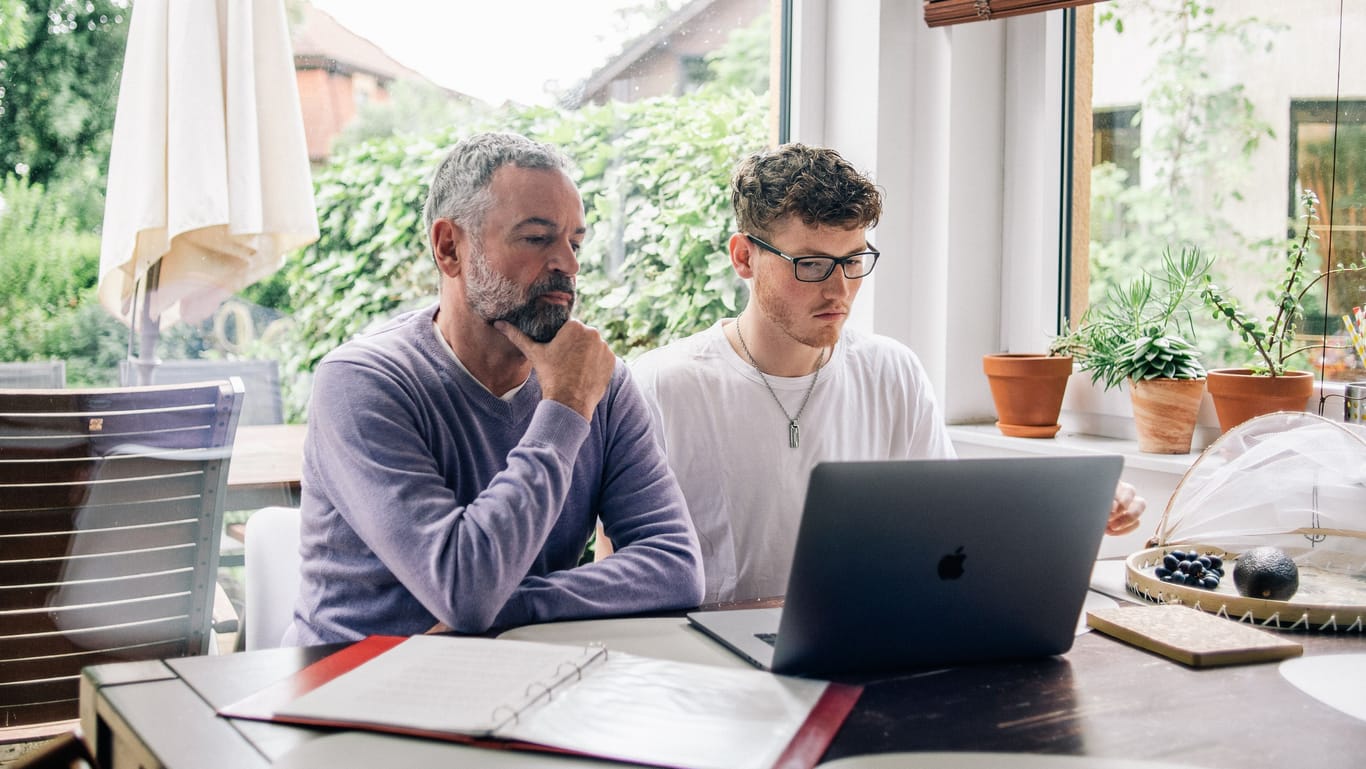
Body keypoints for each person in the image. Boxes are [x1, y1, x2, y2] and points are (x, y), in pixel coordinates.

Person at [623, 143, 1145, 603]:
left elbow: (945, 538)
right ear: (744, 257)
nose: (839, 289)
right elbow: (625, 569)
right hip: (712, 669)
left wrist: (1071, 521)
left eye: (854, 260)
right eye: (810, 264)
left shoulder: (892, 372)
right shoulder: (662, 385)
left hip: (864, 646)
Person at [287, 132, 704, 645]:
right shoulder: (363, 382)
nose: (568, 265)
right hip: (352, 690)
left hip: (518, 674)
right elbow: (465, 592)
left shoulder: (600, 383)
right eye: (536, 238)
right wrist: (565, 406)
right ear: (449, 248)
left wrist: (519, 604)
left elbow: (676, 568)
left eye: (575, 242)